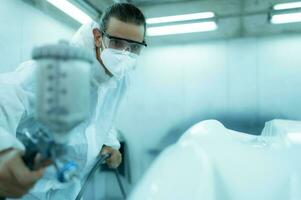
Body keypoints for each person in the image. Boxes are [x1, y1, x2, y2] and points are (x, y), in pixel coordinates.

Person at [0, 3, 147, 199]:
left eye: (134, 47)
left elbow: (105, 114)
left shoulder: (121, 78)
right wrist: (3, 151)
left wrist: (110, 143)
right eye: (117, 43)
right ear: (97, 37)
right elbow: (6, 97)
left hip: (72, 188)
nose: (125, 54)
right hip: (30, 190)